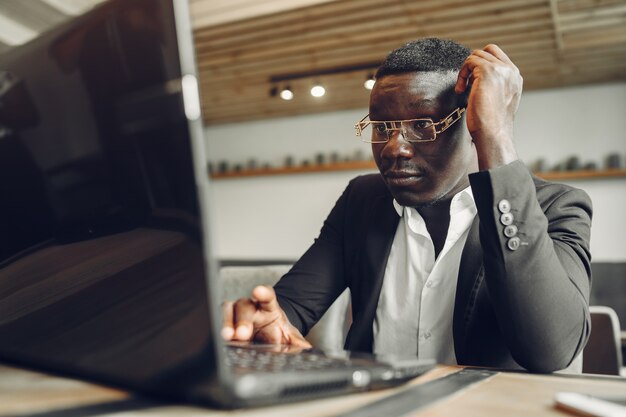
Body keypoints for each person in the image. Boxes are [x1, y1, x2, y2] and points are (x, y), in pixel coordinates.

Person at [221, 38, 592, 373]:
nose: (393, 147)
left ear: (472, 124)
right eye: (382, 127)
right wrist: (264, 322)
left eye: (422, 124)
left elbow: (550, 351)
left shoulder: (554, 206)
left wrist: (496, 139)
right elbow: (292, 307)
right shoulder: (362, 201)